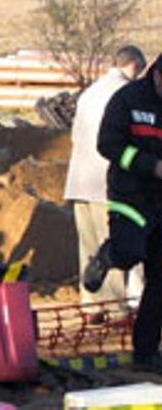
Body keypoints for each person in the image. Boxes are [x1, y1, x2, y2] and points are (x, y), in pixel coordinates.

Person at [84, 53, 162, 371]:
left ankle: (145, 353)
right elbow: (109, 144)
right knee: (129, 253)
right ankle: (109, 254)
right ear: (157, 76)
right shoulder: (128, 99)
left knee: (159, 282)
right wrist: (150, 165)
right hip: (130, 196)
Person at [65, 45, 146, 308]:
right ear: (134, 65)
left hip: (78, 179)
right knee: (112, 244)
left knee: (88, 245)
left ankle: (91, 304)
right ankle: (114, 309)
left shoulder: (90, 92)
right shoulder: (124, 94)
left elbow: (75, 136)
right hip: (104, 182)